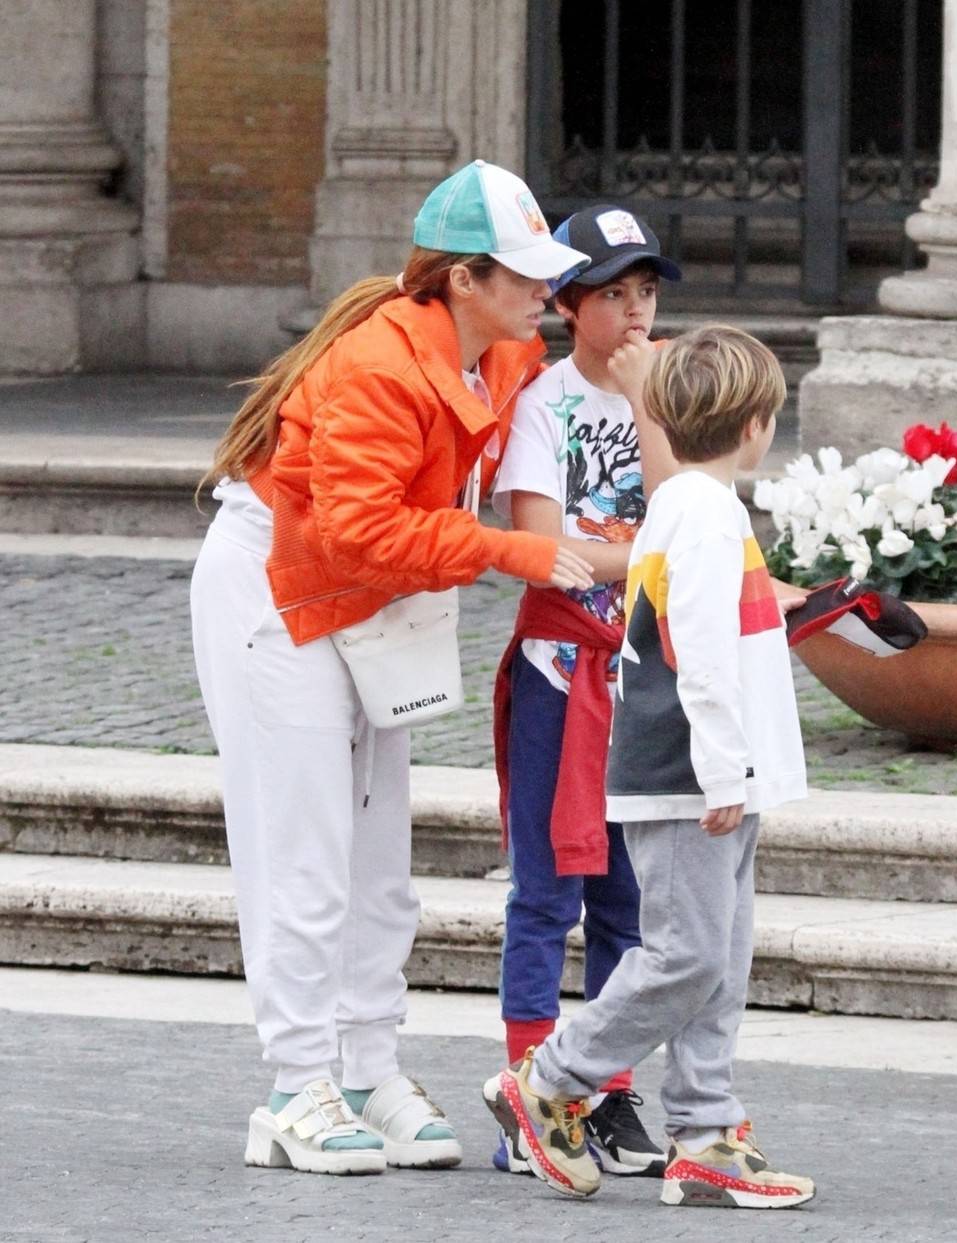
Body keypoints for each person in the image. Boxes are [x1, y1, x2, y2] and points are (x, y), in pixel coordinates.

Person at [189, 159, 596, 1177]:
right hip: (276, 593)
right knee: (306, 848)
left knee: (376, 860)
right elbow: (366, 527)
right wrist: (519, 554)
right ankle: (292, 1084)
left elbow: (450, 498)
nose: (542, 289)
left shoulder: (501, 354)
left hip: (364, 602)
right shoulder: (378, 363)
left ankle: (367, 1070)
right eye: (523, 271)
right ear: (464, 279)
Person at [483, 325, 816, 1209]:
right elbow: (700, 654)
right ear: (755, 426)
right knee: (688, 954)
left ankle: (706, 1132)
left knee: (718, 957)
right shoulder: (705, 512)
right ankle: (550, 1078)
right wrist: (721, 769)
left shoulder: (686, 505)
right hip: (695, 776)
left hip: (711, 774)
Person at [489, 206, 681, 1177]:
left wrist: (651, 407)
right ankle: (528, 1096)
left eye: (645, 290)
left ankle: (601, 1089)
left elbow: (685, 521)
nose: (636, 311)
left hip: (641, 679)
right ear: (567, 304)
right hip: (561, 675)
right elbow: (544, 554)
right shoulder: (543, 404)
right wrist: (638, 555)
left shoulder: (666, 396)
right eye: (613, 292)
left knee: (626, 896)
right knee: (544, 891)